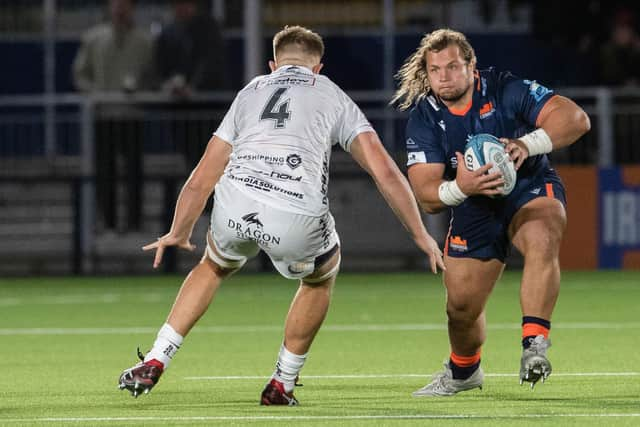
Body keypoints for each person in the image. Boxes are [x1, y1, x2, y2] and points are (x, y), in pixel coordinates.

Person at [118, 25, 445, 405]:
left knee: (212, 265)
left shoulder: (250, 92)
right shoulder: (332, 94)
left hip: (237, 201)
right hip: (295, 212)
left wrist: (178, 230)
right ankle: (281, 383)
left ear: (273, 64)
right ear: (318, 68)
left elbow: (203, 175)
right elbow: (384, 171)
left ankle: (157, 358)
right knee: (320, 277)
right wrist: (420, 234)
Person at [391, 28, 590, 396]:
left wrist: (525, 144)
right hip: (473, 204)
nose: (444, 77)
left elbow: (576, 119)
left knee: (544, 234)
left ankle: (534, 345)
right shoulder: (425, 117)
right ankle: (464, 372)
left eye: (452, 66)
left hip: (528, 186)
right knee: (461, 309)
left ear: (472, 65)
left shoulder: (505, 88)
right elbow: (426, 193)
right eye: (435, 70)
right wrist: (461, 188)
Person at [72, 0, 154, 231]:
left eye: (125, 5)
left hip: (131, 114)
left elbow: (151, 76)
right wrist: (95, 93)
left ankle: (134, 222)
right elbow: (80, 74)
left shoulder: (144, 41)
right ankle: (109, 222)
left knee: (134, 172)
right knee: (105, 172)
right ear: (109, 8)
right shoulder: (94, 39)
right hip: (104, 115)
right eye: (116, 4)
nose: (120, 9)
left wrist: (140, 91)